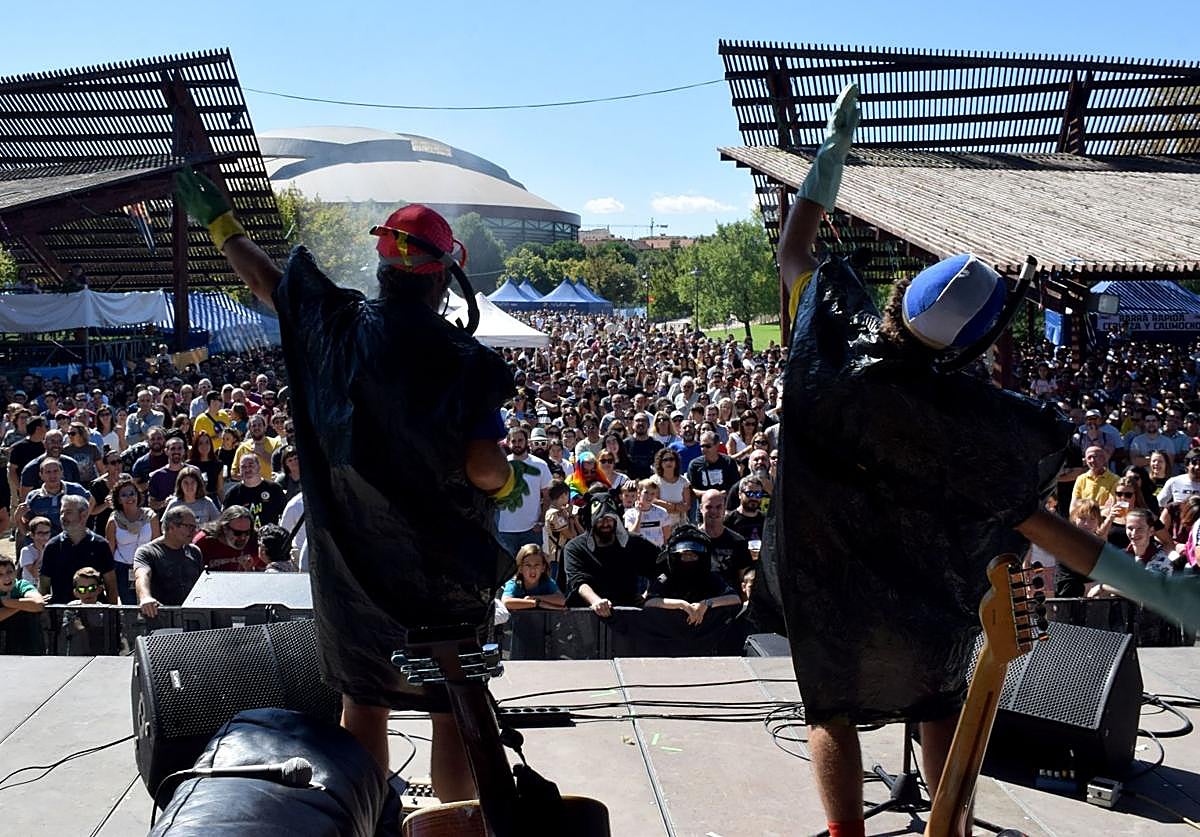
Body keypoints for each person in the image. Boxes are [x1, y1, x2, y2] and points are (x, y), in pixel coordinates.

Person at [769, 84, 1070, 837]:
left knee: (830, 707)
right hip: (923, 577)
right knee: (941, 697)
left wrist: (831, 156)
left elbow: (795, 247)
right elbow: (1033, 475)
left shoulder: (831, 336)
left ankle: (846, 834)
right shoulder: (962, 415)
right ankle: (950, 827)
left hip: (824, 569)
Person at [177, 171, 522, 800]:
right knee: (451, 706)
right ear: (444, 276)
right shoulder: (467, 359)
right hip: (443, 575)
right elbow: (484, 468)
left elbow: (270, 283)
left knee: (363, 701)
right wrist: (507, 484)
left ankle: (365, 820)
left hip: (353, 569)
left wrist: (221, 225)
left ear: (383, 268)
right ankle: (455, 825)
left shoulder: (336, 325)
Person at [563, 491, 659, 615]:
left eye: (609, 519)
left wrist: (649, 594)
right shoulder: (575, 547)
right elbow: (578, 581)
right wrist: (596, 601)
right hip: (588, 615)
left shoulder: (634, 543)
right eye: (600, 520)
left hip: (629, 614)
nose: (605, 524)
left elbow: (660, 565)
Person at [644, 525, 741, 625]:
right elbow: (649, 602)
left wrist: (706, 604)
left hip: (704, 630)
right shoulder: (665, 577)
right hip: (669, 628)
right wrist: (681, 605)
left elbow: (734, 598)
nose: (689, 559)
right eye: (685, 555)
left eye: (693, 555)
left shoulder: (709, 577)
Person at [39, 494, 118, 606]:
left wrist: (113, 613)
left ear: (83, 515)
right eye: (61, 512)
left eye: (68, 512)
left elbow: (111, 585)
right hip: (62, 612)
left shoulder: (100, 544)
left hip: (95, 611)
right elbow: (44, 586)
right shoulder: (52, 546)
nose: (63, 517)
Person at [134, 505, 203, 620]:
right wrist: (145, 597)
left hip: (192, 618)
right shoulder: (147, 552)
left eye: (195, 527)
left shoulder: (194, 551)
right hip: (160, 618)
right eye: (189, 527)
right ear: (171, 527)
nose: (194, 531)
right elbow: (141, 576)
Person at [496, 427, 553, 556]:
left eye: (520, 440)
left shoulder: (540, 465)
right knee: (507, 568)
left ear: (527, 442)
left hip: (532, 530)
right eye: (513, 441)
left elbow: (548, 495)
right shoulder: (501, 464)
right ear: (508, 443)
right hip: (504, 529)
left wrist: (541, 521)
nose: (517, 444)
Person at [104, 480, 160, 603]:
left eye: (132, 493)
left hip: (147, 566)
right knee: (129, 605)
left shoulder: (151, 517)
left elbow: (157, 545)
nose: (129, 497)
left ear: (138, 495)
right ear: (118, 500)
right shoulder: (113, 521)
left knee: (148, 602)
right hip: (123, 568)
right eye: (124, 495)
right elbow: (109, 551)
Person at [223, 455, 286, 527]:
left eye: (251, 465)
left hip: (269, 533)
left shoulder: (274, 489)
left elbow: (285, 514)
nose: (247, 469)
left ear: (259, 467)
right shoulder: (232, 494)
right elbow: (225, 521)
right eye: (243, 467)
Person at [0, 556, 46, 655]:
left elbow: (38, 604)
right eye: (0, 574)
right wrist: (25, 605)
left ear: (15, 572)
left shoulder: (22, 585)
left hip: (29, 649)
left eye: (9, 572)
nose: (6, 578)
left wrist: (7, 602)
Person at [193, 504, 261, 571]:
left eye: (247, 532)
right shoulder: (203, 542)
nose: (243, 537)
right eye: (237, 533)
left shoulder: (255, 540)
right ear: (225, 528)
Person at [499, 544, 566, 611]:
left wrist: (536, 597)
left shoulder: (546, 582)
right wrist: (536, 603)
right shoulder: (515, 582)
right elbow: (506, 602)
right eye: (528, 565)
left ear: (543, 567)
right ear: (520, 568)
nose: (533, 570)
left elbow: (562, 600)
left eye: (537, 565)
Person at [686, 431, 741, 495]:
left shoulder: (728, 462)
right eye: (702, 446)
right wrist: (710, 495)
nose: (704, 449)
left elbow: (735, 485)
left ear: (717, 445)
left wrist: (722, 494)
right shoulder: (694, 465)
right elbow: (692, 489)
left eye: (707, 446)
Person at [624, 479, 671, 548]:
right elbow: (633, 535)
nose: (649, 496)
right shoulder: (630, 513)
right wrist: (639, 514)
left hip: (657, 550)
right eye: (646, 492)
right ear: (639, 493)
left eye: (653, 493)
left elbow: (667, 537)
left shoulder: (662, 512)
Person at [147, 436, 188, 512]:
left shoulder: (192, 472)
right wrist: (165, 503)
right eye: (173, 449)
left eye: (179, 448)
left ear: (184, 451)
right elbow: (151, 503)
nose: (176, 451)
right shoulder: (157, 476)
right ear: (166, 451)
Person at [18, 516, 52, 584]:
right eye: (40, 533)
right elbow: (35, 575)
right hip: (31, 586)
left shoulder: (52, 548)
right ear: (32, 535)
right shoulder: (26, 551)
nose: (44, 536)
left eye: (47, 533)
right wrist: (41, 553)